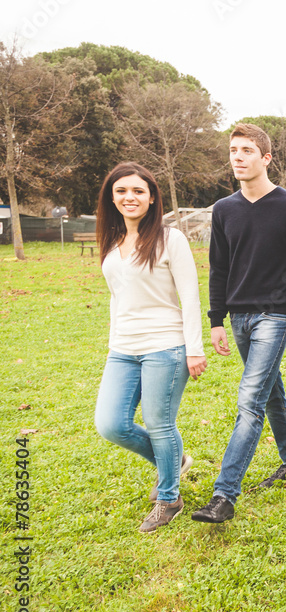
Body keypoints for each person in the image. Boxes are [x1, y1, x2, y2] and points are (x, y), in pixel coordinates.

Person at [191, 123, 286, 524]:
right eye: (233, 150)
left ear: (266, 158)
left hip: (275, 316)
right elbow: (218, 268)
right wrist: (215, 320)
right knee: (269, 392)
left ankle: (224, 495)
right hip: (238, 318)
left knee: (250, 400)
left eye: (247, 150)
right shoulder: (224, 209)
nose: (238, 157)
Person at [93, 162, 206, 533]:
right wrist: (114, 343)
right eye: (122, 191)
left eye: (138, 191)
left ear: (152, 197)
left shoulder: (170, 239)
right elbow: (117, 297)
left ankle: (169, 498)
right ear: (112, 198)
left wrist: (194, 348)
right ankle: (174, 461)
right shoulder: (112, 241)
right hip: (123, 349)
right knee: (111, 424)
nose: (130, 197)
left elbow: (190, 296)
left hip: (166, 345)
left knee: (159, 424)